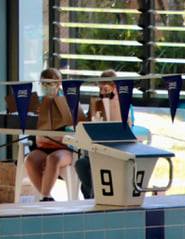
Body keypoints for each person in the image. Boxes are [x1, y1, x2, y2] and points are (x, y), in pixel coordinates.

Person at [75, 70, 131, 199]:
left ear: (115, 88)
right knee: (82, 164)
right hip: (97, 151)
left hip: (116, 151)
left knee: (98, 166)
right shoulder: (97, 104)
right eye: (101, 90)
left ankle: (97, 195)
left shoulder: (124, 104)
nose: (103, 93)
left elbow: (127, 130)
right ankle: (92, 196)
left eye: (106, 89)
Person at [23, 68, 76, 202]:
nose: (46, 87)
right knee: (29, 160)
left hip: (64, 149)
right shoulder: (38, 103)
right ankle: (46, 197)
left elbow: (76, 127)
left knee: (53, 159)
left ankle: (44, 198)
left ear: (58, 84)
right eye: (43, 84)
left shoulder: (69, 102)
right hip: (42, 147)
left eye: (49, 84)